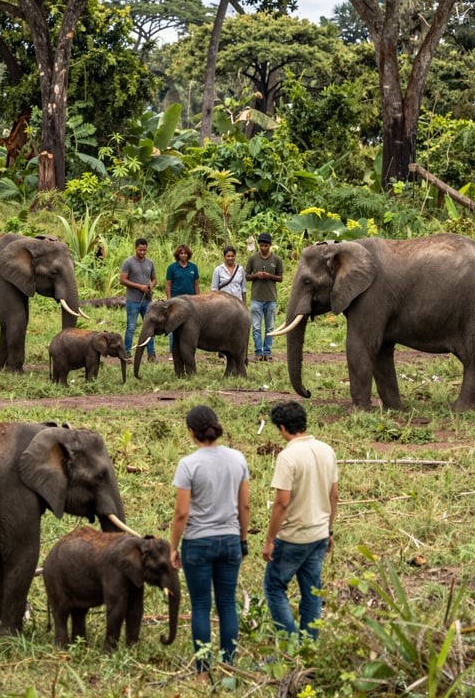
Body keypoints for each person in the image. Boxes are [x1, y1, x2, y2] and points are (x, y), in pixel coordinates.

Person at [170, 405, 250, 678]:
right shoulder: (237, 459)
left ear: (191, 433)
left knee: (201, 606)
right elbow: (245, 507)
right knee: (227, 604)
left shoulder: (188, 464)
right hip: (229, 540)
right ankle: (229, 666)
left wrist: (173, 546)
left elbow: (181, 513)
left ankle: (202, 671)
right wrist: (243, 539)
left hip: (197, 543)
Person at [262, 401, 338, 641]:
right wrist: (329, 530)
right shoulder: (327, 450)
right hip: (319, 534)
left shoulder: (288, 456)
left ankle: (290, 645)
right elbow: (334, 495)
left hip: (293, 535)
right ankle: (309, 645)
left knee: (274, 588)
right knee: (312, 592)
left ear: (283, 428)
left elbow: (282, 502)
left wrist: (270, 539)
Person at [245, 232, 283, 361]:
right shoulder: (252, 259)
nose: (263, 248)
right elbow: (247, 276)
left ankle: (267, 352)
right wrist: (256, 275)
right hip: (256, 297)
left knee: (270, 327)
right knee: (256, 327)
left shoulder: (277, 260)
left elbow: (280, 278)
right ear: (258, 245)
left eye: (266, 245)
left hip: (271, 298)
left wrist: (269, 276)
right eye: (261, 245)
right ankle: (258, 352)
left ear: (270, 245)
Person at [120, 238, 157, 361]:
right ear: (135, 248)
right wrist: (139, 286)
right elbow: (122, 280)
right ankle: (127, 353)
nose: (142, 252)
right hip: (133, 301)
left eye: (144, 250)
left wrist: (151, 285)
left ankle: (151, 354)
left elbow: (154, 279)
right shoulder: (128, 262)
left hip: (147, 301)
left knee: (149, 327)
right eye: (140, 250)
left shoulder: (150, 263)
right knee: (131, 327)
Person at [165, 244, 200, 357]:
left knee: (190, 326)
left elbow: (196, 284)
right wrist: (169, 300)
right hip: (176, 300)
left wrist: (199, 298)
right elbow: (168, 285)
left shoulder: (193, 267)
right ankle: (172, 352)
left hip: (191, 301)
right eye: (181, 253)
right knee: (173, 326)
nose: (183, 255)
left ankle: (189, 351)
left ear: (188, 255)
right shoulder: (172, 268)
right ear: (178, 255)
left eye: (185, 253)